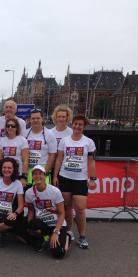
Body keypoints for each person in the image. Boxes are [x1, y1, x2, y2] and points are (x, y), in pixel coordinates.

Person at [53, 114, 96, 249]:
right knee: (67, 207)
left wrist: (93, 179)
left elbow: (91, 162)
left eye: (80, 125)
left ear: (84, 127)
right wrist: (55, 176)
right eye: (75, 124)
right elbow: (59, 159)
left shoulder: (88, 142)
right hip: (64, 177)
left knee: (80, 209)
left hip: (80, 179)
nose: (77, 127)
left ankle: (82, 236)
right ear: (72, 124)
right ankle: (70, 231)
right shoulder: (64, 141)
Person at [26, 165, 70, 257]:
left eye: (40, 174)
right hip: (43, 224)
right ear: (32, 177)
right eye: (35, 174)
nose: (38, 176)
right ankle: (40, 238)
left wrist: (56, 232)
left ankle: (67, 237)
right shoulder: (29, 192)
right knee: (31, 224)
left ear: (45, 176)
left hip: (57, 225)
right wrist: (30, 226)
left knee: (58, 253)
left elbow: (62, 214)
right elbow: (30, 209)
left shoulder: (55, 191)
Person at [24, 109, 57, 186]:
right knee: (29, 195)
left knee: (42, 195)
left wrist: (45, 172)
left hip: (42, 169)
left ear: (42, 119)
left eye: (38, 118)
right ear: (29, 120)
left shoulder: (50, 134)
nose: (35, 120)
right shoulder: (25, 134)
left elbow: (52, 155)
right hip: (28, 169)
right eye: (33, 118)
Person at [0, 118, 29, 187]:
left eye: (13, 126)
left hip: (17, 174)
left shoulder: (22, 140)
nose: (10, 128)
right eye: (8, 126)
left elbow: (25, 160)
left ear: (17, 128)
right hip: (5, 173)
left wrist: (23, 176)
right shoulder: (2, 140)